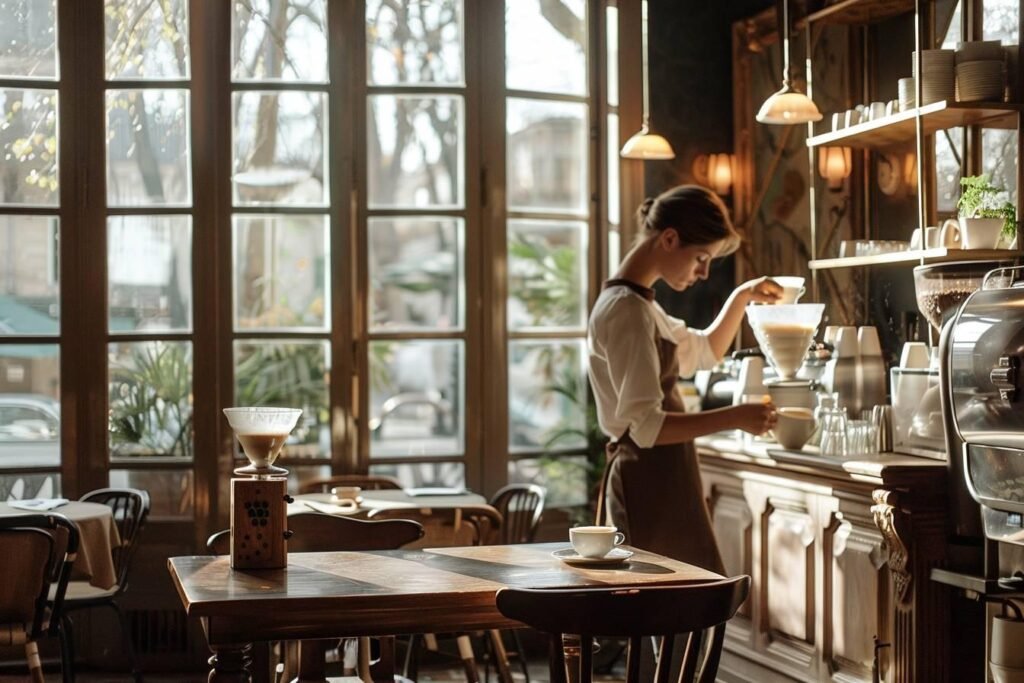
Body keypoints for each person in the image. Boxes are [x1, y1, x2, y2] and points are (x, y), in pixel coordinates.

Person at [588, 184, 782, 574]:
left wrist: (742, 298)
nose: (704, 273)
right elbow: (646, 428)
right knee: (665, 607)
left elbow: (706, 350)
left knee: (685, 602)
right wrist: (735, 416)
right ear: (670, 238)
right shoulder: (627, 311)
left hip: (667, 474)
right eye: (701, 258)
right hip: (647, 479)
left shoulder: (642, 306)